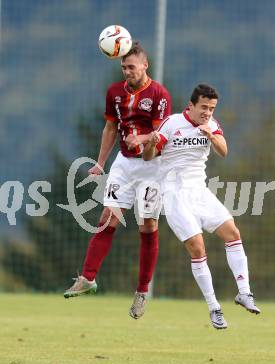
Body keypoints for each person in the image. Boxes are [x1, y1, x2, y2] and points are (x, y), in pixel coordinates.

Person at [64, 42, 172, 320]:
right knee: (106, 218)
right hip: (124, 164)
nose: (127, 72)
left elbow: (162, 134)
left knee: (147, 226)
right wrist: (101, 163)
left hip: (152, 165)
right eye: (123, 67)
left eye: (131, 67)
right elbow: (111, 127)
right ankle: (87, 278)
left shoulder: (159, 94)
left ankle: (142, 291)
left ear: (145, 65)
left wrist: (143, 139)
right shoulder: (114, 93)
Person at [143, 83, 260, 329]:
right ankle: (214, 307)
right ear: (191, 106)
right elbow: (148, 156)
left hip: (200, 191)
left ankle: (244, 293)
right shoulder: (173, 123)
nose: (208, 112)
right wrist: (152, 143)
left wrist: (211, 135)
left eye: (212, 108)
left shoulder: (211, 125)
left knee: (233, 233)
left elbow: (224, 151)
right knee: (197, 247)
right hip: (174, 194)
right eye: (204, 107)